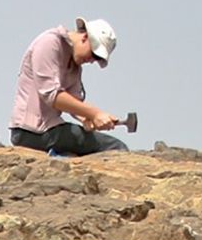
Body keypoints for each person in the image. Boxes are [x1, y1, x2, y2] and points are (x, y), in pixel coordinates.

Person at [9, 17, 124, 156]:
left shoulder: (74, 64)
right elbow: (52, 96)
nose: (92, 61)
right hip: (30, 131)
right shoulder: (49, 44)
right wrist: (94, 113)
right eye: (94, 54)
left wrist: (89, 119)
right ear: (85, 37)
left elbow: (73, 102)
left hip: (49, 130)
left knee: (101, 147)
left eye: (97, 59)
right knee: (116, 148)